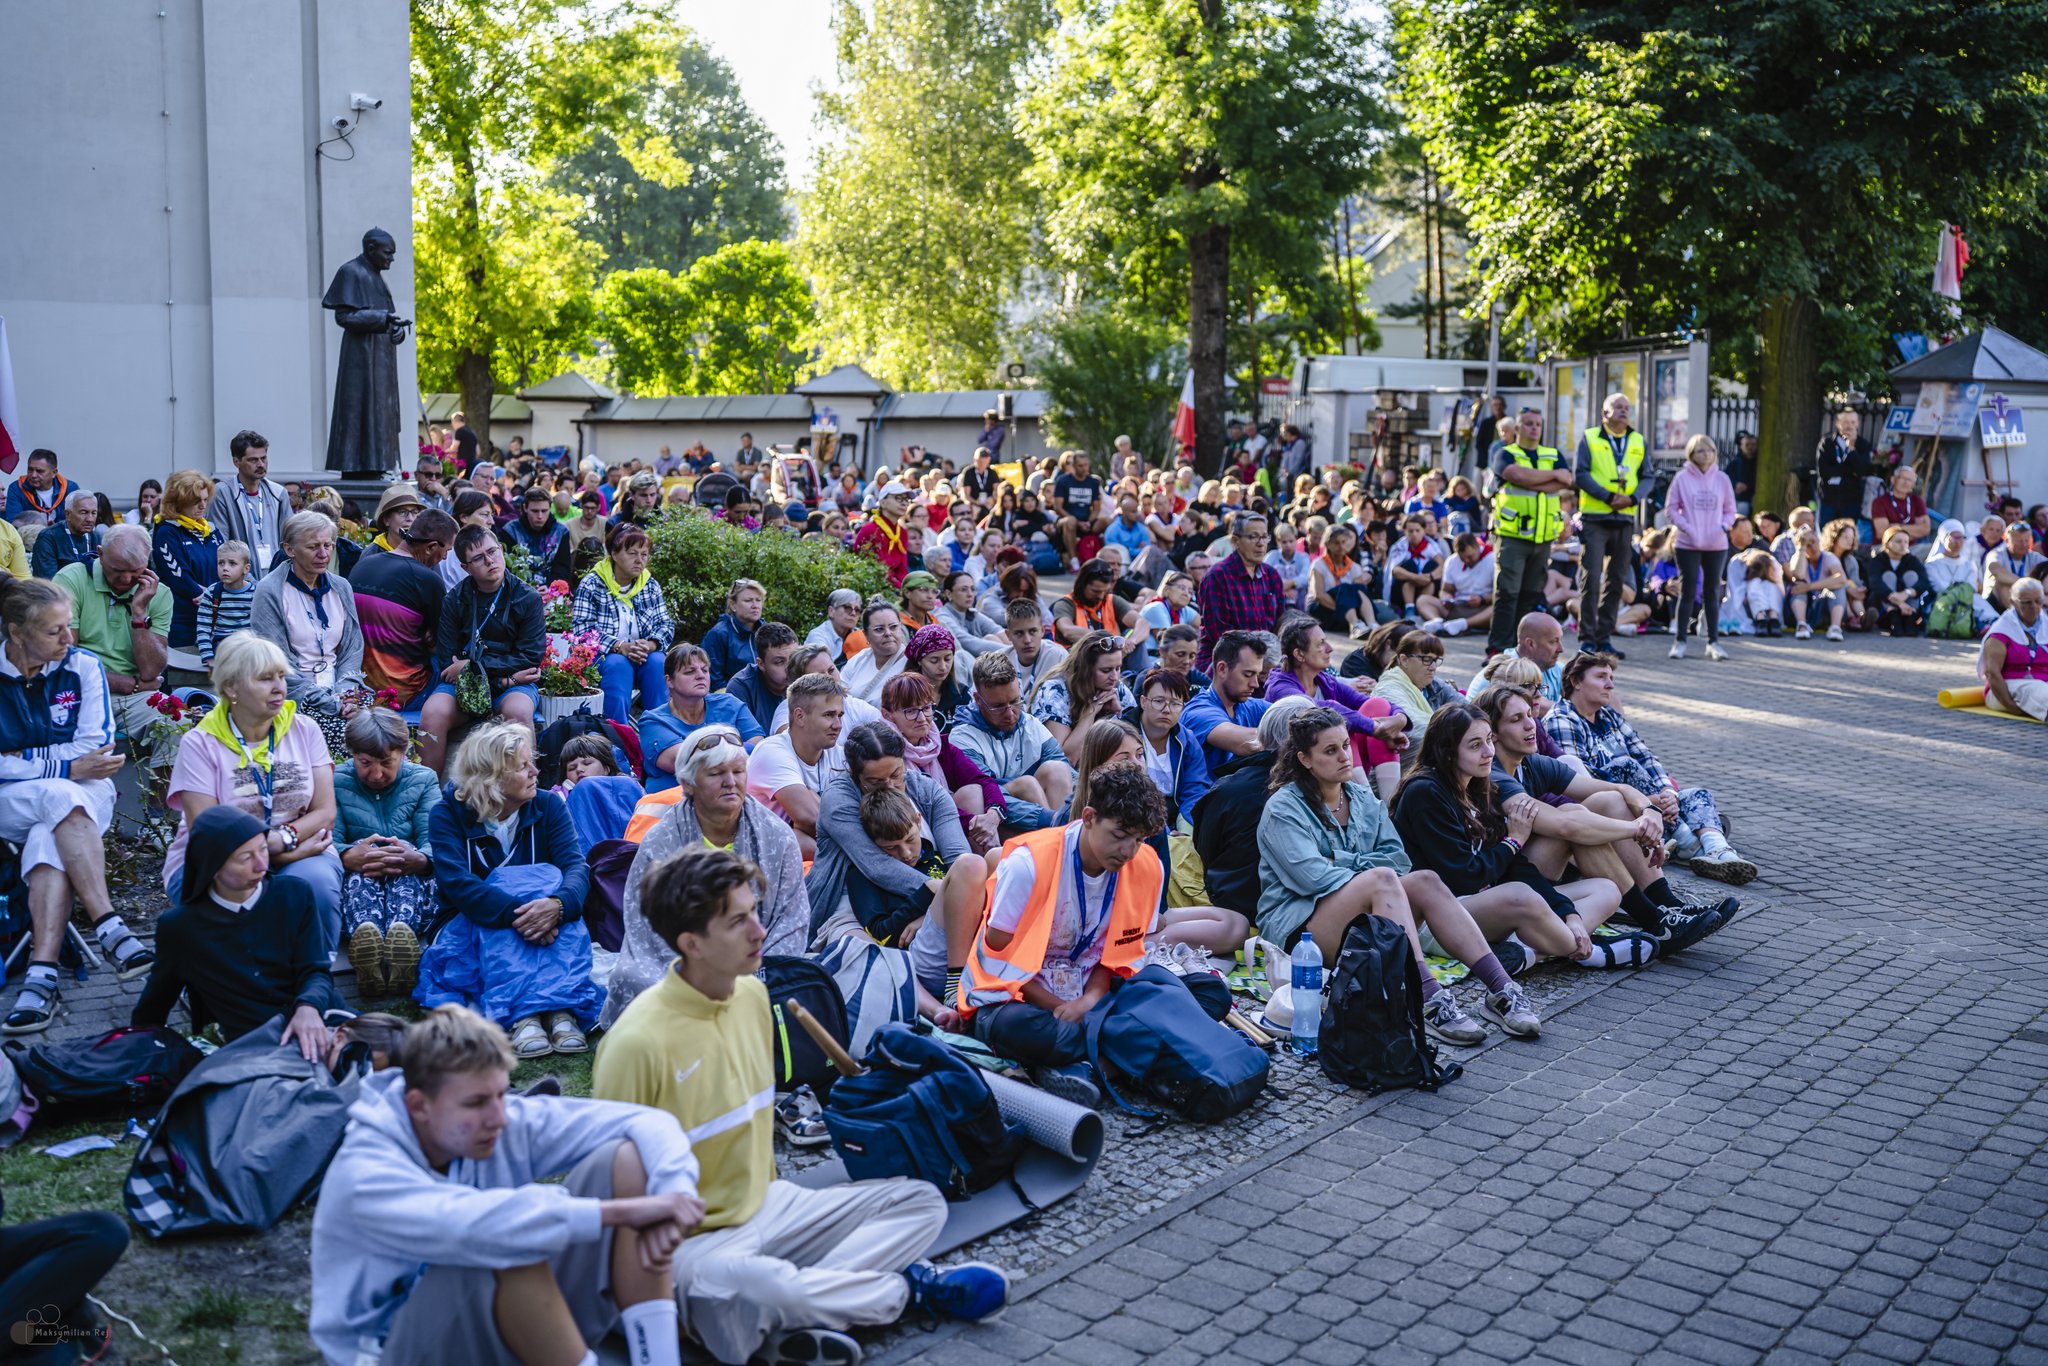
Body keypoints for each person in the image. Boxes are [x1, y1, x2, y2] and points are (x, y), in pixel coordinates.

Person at [594, 846, 1004, 1366]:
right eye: (738, 922)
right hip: (692, 1245)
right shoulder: (635, 1045)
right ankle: (902, 1292)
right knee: (765, 1288)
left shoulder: (750, 998)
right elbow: (618, 1207)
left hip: (769, 1206)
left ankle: (797, 1309)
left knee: (922, 1202)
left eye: (754, 913)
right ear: (691, 943)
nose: (759, 931)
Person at [310, 1005, 702, 1366]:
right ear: (418, 1106)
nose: (498, 1117)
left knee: (628, 1160)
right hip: (386, 1352)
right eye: (476, 1102)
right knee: (512, 1243)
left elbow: (648, 1122)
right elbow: (477, 1226)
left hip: (483, 1318)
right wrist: (623, 1213)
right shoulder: (364, 1171)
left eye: (501, 1094)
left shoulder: (499, 1119)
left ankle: (659, 1360)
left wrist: (677, 1195)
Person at [1254, 706, 1512, 1045]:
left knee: (1425, 880)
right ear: (1304, 759)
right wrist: (1369, 872)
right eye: (1330, 751)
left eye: (1346, 745)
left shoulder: (1362, 798)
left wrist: (1341, 861)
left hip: (1359, 914)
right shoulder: (1283, 808)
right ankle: (1427, 999)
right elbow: (1313, 878)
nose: (1345, 756)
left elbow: (1399, 860)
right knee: (1381, 880)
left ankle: (1503, 990)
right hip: (1299, 932)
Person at [952, 763, 1169, 1103]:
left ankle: (1078, 1062)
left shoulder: (1146, 865)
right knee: (1013, 1027)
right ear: (1089, 817)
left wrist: (1089, 1001)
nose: (1128, 851)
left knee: (1203, 991)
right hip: (1021, 999)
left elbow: (1118, 954)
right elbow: (997, 959)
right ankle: (1119, 1055)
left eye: (1139, 839)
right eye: (1119, 835)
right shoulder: (1029, 863)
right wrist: (1061, 1006)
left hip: (1091, 997)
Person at [0, 578, 156, 1034]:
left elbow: (96, 747)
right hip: (15, 800)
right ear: (16, 633)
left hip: (84, 794)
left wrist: (22, 760)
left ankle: (41, 974)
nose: (68, 638)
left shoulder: (83, 666)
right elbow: (78, 760)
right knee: (60, 794)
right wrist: (64, 766)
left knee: (51, 826)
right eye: (54, 631)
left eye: (69, 626)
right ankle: (109, 925)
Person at [1389, 702, 1642, 979]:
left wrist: (1569, 915)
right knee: (1520, 895)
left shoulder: (1479, 786)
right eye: (1475, 745)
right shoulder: (1425, 793)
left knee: (1606, 890)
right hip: (1437, 920)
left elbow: (1515, 866)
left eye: (1489, 740)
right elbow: (1465, 877)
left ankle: (1525, 952)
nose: (1489, 752)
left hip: (1484, 906)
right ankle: (1588, 952)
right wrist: (1513, 841)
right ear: (1447, 752)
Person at [1479, 684, 1733, 952]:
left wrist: (1649, 813)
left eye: (1530, 715)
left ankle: (1666, 904)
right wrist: (1637, 829)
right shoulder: (1493, 777)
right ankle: (1655, 922)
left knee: (1609, 800)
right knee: (1574, 817)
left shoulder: (1530, 764)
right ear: (1493, 734)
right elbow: (1565, 825)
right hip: (1502, 886)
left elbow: (1617, 789)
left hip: (1531, 873)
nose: (1531, 725)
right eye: (1516, 720)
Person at [610, 728, 811, 1028]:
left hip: (755, 960)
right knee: (632, 978)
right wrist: (700, 974)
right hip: (681, 960)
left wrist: (750, 968)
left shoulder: (777, 836)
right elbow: (644, 923)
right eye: (716, 773)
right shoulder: (661, 840)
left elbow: (792, 919)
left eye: (738, 771)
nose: (731, 782)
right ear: (688, 784)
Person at [422, 722, 598, 1058]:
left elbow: (576, 868)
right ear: (491, 777)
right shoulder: (447, 814)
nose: (535, 772)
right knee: (506, 889)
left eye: (532, 763)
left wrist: (558, 905)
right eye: (522, 766)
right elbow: (457, 884)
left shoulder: (549, 805)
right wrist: (525, 914)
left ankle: (559, 1011)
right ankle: (524, 1015)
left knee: (553, 893)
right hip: (471, 921)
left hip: (545, 917)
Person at [162, 630, 343, 940]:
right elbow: (207, 831)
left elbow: (325, 813)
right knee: (242, 899)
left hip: (300, 845)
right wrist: (275, 853)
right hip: (219, 860)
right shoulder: (200, 743)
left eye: (281, 676)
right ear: (231, 687)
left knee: (315, 886)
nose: (279, 687)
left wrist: (284, 839)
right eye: (265, 679)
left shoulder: (305, 730)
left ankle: (314, 968)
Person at [132, 803, 346, 1053]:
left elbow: (316, 970)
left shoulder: (294, 893)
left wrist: (308, 1007)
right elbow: (155, 1004)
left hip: (319, 1015)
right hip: (251, 1047)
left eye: (263, 850)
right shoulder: (181, 927)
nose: (262, 865)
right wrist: (139, 1050)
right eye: (246, 858)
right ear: (212, 866)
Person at [809, 724, 991, 1000]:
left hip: (929, 890)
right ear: (855, 775)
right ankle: (933, 1008)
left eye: (896, 774)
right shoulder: (839, 799)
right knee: (868, 954)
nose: (890, 786)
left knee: (989, 861)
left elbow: (957, 857)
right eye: (875, 782)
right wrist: (941, 893)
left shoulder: (928, 790)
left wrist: (940, 902)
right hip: (853, 900)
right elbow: (877, 867)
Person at [1545, 652, 1758, 884]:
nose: (1610, 685)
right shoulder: (1562, 719)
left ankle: (1718, 851)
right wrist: (1648, 800)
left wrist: (1667, 792)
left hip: (1649, 806)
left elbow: (1645, 756)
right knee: (1625, 765)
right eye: (1601, 677)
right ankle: (1693, 845)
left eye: (1611, 677)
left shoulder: (1608, 716)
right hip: (1613, 809)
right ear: (1576, 682)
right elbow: (1582, 780)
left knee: (1697, 794)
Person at [333, 707, 440, 999]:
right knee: (361, 866)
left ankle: (400, 941)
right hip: (358, 884)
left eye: (386, 762)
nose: (376, 774)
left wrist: (419, 859)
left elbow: (435, 840)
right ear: (352, 755)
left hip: (413, 886)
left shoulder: (423, 780)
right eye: (365, 763)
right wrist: (347, 856)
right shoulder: (337, 780)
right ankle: (367, 943)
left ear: (403, 753)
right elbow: (328, 839)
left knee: (404, 861)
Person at [422, 524, 548, 771]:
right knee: (433, 712)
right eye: (479, 558)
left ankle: (527, 785)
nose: (490, 561)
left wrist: (473, 666)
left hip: (513, 686)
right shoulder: (454, 599)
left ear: (501, 549)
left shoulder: (527, 597)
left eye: (492, 551)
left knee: (518, 711)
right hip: (468, 685)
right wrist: (503, 679)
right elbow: (448, 663)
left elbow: (530, 657)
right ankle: (429, 789)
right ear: (465, 568)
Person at [1266, 617, 1405, 796]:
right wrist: (1376, 727)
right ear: (1299, 654)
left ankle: (1390, 800)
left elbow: (1370, 702)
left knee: (1377, 704)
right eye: (1321, 644)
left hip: (1339, 763)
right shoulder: (1280, 687)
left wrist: (1399, 719)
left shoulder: (1324, 681)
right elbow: (1317, 708)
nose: (1330, 648)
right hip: (1302, 766)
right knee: (1337, 722)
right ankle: (1364, 796)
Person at [251, 510, 367, 723]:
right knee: (341, 732)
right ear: (289, 549)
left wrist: (346, 694)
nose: (323, 554)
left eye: (328, 545)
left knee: (381, 730)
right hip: (292, 694)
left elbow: (353, 648)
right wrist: (329, 702)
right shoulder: (270, 590)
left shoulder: (341, 587)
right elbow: (277, 662)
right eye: (313, 547)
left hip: (340, 691)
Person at [349, 507, 456, 709]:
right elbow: (442, 642)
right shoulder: (427, 579)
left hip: (360, 689)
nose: (444, 558)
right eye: (447, 551)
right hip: (405, 695)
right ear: (431, 547)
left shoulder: (363, 564)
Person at [570, 524, 675, 725]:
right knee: (618, 665)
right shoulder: (592, 583)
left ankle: (660, 729)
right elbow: (582, 631)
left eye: (644, 554)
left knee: (657, 662)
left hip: (641, 654)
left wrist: (650, 645)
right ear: (614, 554)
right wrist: (620, 647)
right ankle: (618, 733)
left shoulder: (649, 584)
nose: (639, 560)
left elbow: (665, 624)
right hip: (604, 657)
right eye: (632, 553)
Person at [746, 673, 850, 857]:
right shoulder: (771, 752)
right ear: (800, 716)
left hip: (815, 846)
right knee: (793, 837)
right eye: (829, 715)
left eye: (840, 715)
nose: (838, 725)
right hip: (760, 855)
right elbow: (809, 817)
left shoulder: (839, 754)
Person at [1574, 393, 1646, 658]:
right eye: (1617, 407)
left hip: (1624, 518)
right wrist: (1607, 497)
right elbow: (1580, 474)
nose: (1623, 411)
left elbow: (1647, 476)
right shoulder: (1590, 437)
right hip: (1595, 517)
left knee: (1616, 579)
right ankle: (1587, 638)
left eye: (1627, 407)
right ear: (1605, 413)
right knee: (1592, 577)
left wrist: (1633, 498)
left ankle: (1604, 638)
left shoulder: (1638, 440)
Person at [640, 643, 765, 794]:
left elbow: (758, 749)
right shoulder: (653, 721)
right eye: (690, 672)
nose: (701, 675)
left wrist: (709, 750)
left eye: (705, 670)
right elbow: (684, 762)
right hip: (674, 801)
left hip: (734, 796)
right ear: (669, 681)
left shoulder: (730, 704)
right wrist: (739, 748)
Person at [1663, 433, 1737, 659]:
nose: (1707, 455)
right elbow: (1671, 509)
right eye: (1701, 451)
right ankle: (1680, 641)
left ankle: (1713, 641)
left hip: (1716, 544)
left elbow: (1730, 510)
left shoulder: (1722, 479)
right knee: (1687, 592)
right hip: (1688, 544)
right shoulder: (1682, 478)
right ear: (1691, 454)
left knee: (1712, 592)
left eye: (1710, 450)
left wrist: (1722, 527)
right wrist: (1687, 528)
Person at [1195, 512, 1287, 670]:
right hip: (1225, 662)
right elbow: (1220, 634)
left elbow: (1281, 622)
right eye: (1253, 537)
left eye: (1264, 537)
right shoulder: (1217, 577)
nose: (1261, 543)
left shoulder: (1271, 575)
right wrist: (1258, 658)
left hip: (1267, 661)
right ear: (1235, 541)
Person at [147, 468, 226, 649]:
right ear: (179, 501)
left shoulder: (210, 529)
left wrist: (220, 594)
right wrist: (206, 596)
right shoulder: (167, 531)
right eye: (196, 501)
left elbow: (226, 562)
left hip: (215, 617)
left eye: (205, 500)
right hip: (184, 621)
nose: (203, 506)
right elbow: (178, 575)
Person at [1032, 629, 1137, 761]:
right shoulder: (1055, 691)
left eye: (1118, 668)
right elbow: (1065, 760)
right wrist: (1090, 713)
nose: (1115, 677)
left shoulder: (1118, 688)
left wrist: (1116, 715)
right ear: (1085, 669)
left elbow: (1137, 749)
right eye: (1106, 670)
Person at [1183, 629, 1272, 782]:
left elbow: (1287, 713)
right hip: (1206, 796)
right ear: (1222, 669)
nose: (1255, 684)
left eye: (1257, 675)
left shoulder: (1248, 705)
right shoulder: (1198, 711)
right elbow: (1248, 742)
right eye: (1248, 674)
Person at [207, 429, 293, 573]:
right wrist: (247, 582)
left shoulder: (278, 493)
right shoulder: (223, 494)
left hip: (277, 578)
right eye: (253, 460)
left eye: (263, 458)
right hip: (240, 581)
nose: (261, 464)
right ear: (236, 462)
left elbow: (290, 540)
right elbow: (221, 547)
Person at [1981, 577, 2048, 720]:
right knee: (2036, 689)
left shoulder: (2045, 625)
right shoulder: (2000, 633)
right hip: (2003, 691)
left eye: (2038, 601)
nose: (2034, 606)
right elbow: (1992, 673)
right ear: (2013, 602)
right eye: (2027, 602)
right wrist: (2011, 707)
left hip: (2041, 686)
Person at [1369, 625, 1447, 748]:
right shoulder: (1389, 688)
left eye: (1436, 660)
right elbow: (1415, 728)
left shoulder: (1434, 684)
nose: (1433, 667)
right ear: (1404, 660)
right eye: (1427, 659)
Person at [1467, 611, 1564, 700]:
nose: (1561, 649)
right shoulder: (1501, 676)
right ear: (1530, 644)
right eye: (1553, 642)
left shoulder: (1557, 669)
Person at [1051, 558, 1144, 649]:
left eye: (1105, 591)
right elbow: (1067, 630)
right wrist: (1107, 640)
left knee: (1138, 643)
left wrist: (1133, 641)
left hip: (1112, 653)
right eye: (1095, 591)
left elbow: (1141, 622)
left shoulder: (1111, 600)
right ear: (1081, 585)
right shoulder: (1065, 604)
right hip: (1079, 655)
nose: (1101, 596)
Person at [1306, 522, 1378, 639]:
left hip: (1345, 614)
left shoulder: (1353, 566)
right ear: (1328, 544)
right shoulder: (1318, 564)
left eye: (1343, 542)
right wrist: (1343, 608)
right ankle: (1355, 625)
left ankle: (1372, 624)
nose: (1340, 546)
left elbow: (1360, 593)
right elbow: (1319, 595)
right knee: (1345, 588)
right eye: (1336, 543)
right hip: (1322, 609)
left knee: (1358, 588)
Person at [194, 538, 257, 669]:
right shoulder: (213, 592)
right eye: (221, 563)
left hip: (248, 646)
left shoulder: (255, 593)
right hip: (222, 645)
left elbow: (261, 626)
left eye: (232, 563)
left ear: (246, 568)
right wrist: (208, 657)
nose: (225, 568)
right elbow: (203, 627)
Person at [726, 621, 798, 733]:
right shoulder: (741, 687)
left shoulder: (807, 676)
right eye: (779, 662)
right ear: (761, 664)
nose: (789, 668)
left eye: (794, 659)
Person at [1417, 533, 1494, 637]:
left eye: (1470, 557)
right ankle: (1437, 622)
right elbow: (1445, 590)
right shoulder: (1451, 561)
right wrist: (1446, 598)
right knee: (1423, 600)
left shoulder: (1491, 559)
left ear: (1477, 547)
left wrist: (1482, 599)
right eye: (1462, 558)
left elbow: (1500, 594)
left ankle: (1464, 624)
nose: (1466, 561)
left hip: (1483, 609)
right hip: (1458, 606)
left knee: (1499, 608)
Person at [1784, 524, 1849, 641]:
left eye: (1814, 542)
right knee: (1798, 586)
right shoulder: (1797, 557)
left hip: (1821, 608)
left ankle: (1835, 627)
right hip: (1802, 609)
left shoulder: (1828, 557)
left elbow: (1841, 579)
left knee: (1838, 588)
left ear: (1819, 541)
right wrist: (1802, 548)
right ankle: (1801, 625)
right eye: (1808, 545)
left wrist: (1810, 587)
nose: (1813, 547)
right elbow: (1799, 575)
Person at [502, 485, 573, 588]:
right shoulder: (510, 531)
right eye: (535, 511)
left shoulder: (561, 532)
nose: (540, 516)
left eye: (544, 511)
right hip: (518, 590)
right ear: (525, 508)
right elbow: (507, 568)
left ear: (550, 509)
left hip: (552, 589)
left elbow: (562, 567)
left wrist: (549, 586)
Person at [1813, 409, 1873, 531]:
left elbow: (1862, 471)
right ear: (1838, 423)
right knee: (1826, 532)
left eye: (1852, 422)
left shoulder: (1863, 445)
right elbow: (1823, 471)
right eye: (1845, 422)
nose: (1849, 426)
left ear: (1858, 424)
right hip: (1829, 498)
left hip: (1851, 500)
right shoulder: (1827, 443)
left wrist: (1851, 448)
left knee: (1848, 533)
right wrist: (1850, 471)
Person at [702, 579, 767, 691]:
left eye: (758, 600)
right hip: (731, 697)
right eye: (748, 600)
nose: (755, 605)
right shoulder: (718, 634)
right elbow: (713, 680)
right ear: (733, 605)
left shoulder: (768, 632)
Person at [841, 598, 909, 704]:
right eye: (879, 629)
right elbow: (839, 696)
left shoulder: (912, 663)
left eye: (893, 627)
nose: (888, 633)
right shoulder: (858, 660)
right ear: (866, 635)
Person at [1051, 450, 1110, 569]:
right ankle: (1074, 560)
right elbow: (1058, 507)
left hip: (1087, 520)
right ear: (1073, 466)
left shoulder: (1093, 482)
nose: (1084, 468)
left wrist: (1088, 521)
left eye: (1086, 465)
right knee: (1070, 521)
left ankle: (1105, 558)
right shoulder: (1063, 481)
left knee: (1107, 521)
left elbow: (1096, 508)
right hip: (1066, 520)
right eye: (1080, 466)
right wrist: (1078, 522)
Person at [1869, 525, 1930, 636]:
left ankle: (1911, 618)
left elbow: (1924, 581)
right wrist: (1899, 603)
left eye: (1906, 542)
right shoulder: (1878, 560)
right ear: (1887, 543)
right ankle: (1894, 619)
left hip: (1908, 604)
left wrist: (1907, 593)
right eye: (1898, 541)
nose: (1903, 545)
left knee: (1911, 575)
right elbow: (1875, 583)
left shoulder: (1911, 559)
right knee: (1888, 576)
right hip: (1886, 608)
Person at [852, 480, 915, 585]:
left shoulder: (902, 532)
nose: (904, 503)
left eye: (906, 499)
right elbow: (874, 570)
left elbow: (902, 570)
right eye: (898, 498)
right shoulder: (870, 531)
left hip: (896, 587)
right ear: (883, 503)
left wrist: (904, 587)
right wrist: (900, 588)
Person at [30, 488, 101, 579]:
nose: (90, 519)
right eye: (83, 513)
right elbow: (47, 581)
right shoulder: (48, 538)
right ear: (68, 514)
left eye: (94, 513)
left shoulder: (95, 536)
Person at [1983, 522, 2047, 612]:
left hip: (2023, 599)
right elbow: (1996, 570)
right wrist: (2026, 584)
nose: (2023, 544)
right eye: (2019, 541)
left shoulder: (2034, 557)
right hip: (1994, 604)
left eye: (2026, 540)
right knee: (2004, 585)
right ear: (2007, 541)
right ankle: (2022, 615)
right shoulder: (1996, 554)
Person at [4, 449, 72, 526]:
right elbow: (13, 523)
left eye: (39, 471)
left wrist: (55, 530)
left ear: (54, 473)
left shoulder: (69, 489)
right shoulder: (17, 488)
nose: (33, 475)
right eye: (30, 470)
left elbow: (74, 521)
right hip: (28, 533)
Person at [1870, 465, 1931, 548]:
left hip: (1910, 548)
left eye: (1910, 480)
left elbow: (1925, 529)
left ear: (1913, 484)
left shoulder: (1917, 501)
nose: (1906, 482)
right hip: (1885, 547)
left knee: (1930, 549)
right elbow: (1881, 533)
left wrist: (1893, 527)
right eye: (1903, 478)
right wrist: (1914, 531)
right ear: (1893, 480)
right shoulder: (1880, 502)